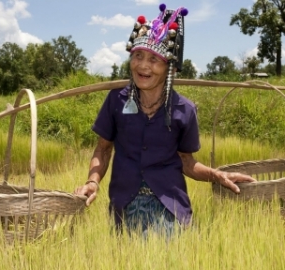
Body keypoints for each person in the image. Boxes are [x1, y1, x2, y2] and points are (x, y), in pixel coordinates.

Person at [74, 4, 256, 236]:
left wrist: (217, 175)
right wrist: (92, 181)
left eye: (154, 59)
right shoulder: (116, 101)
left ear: (170, 68)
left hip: (170, 207)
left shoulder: (184, 110)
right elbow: (103, 149)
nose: (143, 65)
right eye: (138, 56)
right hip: (124, 205)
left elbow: (187, 162)